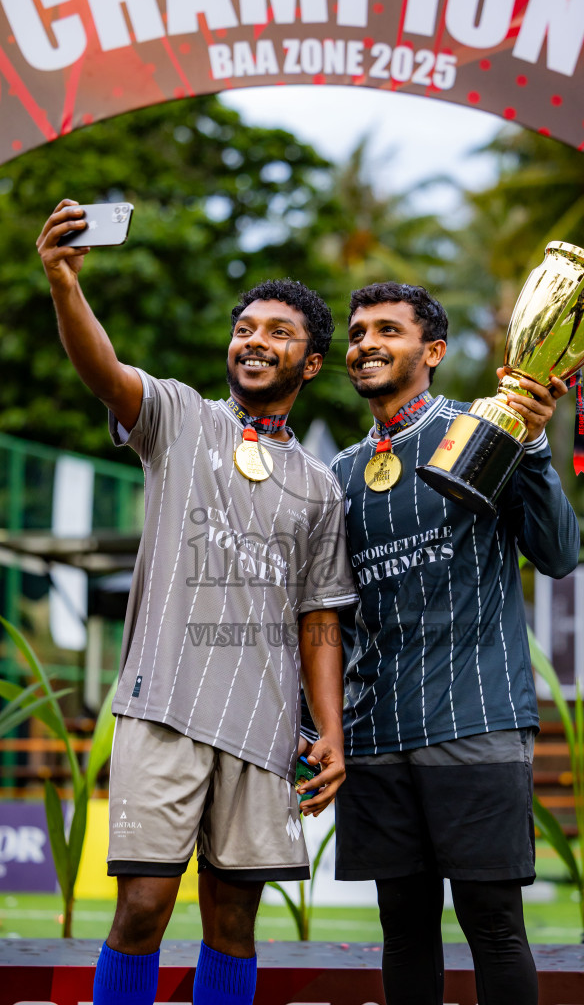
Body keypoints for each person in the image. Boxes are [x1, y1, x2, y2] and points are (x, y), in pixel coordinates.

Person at [36, 200, 357, 1005]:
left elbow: (319, 617)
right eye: (245, 327)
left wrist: (330, 733)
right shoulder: (179, 419)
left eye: (279, 331)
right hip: (164, 708)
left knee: (233, 924)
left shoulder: (320, 486)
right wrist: (64, 284)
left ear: (311, 362)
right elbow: (104, 373)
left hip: (262, 725)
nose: (255, 340)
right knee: (142, 908)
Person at [330, 281, 580, 1005]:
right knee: (402, 928)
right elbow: (331, 616)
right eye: (357, 332)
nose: (365, 343)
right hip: (376, 732)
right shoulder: (340, 471)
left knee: (493, 925)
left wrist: (530, 443)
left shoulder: (481, 429)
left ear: (431, 351)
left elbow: (558, 555)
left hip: (474, 720)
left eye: (387, 330)